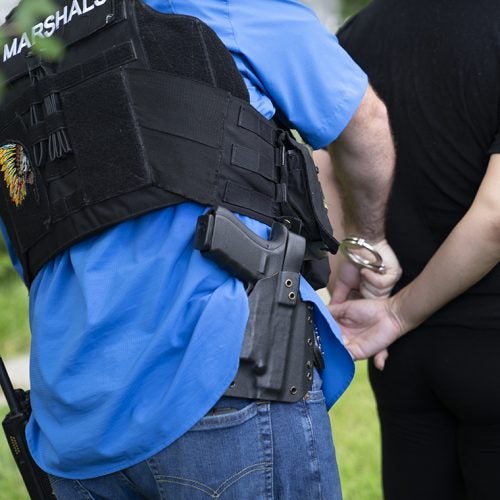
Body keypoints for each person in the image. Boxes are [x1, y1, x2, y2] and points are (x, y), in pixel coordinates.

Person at [0, 0, 398, 498]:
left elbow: (31, 244)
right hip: (219, 380)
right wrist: (368, 241)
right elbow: (364, 124)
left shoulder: (16, 46)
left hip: (72, 422)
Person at [326, 1, 500, 499]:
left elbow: (325, 169)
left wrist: (352, 268)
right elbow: (495, 216)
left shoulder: (358, 32)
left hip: (400, 360)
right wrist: (399, 314)